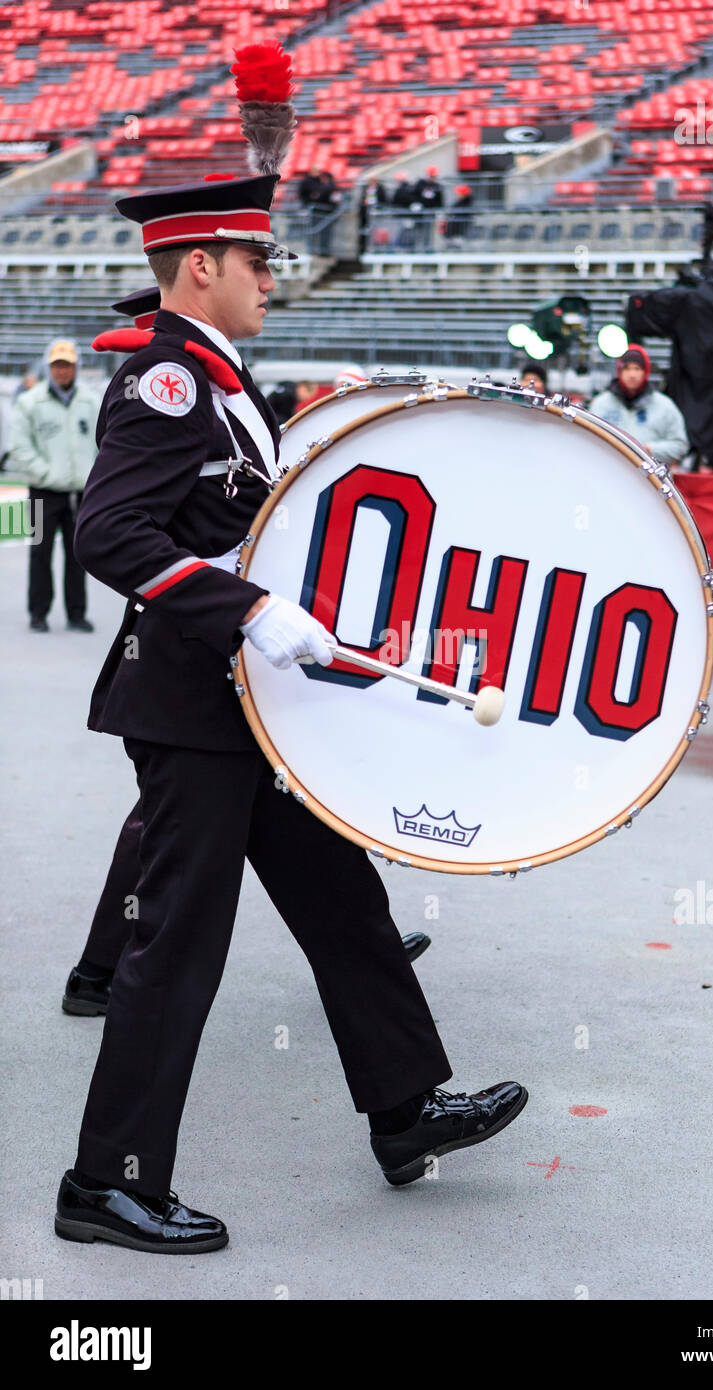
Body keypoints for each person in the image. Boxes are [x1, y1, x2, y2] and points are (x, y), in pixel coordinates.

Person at [54, 171, 526, 1255]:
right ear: (200, 268)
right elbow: (110, 535)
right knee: (174, 946)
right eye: (257, 260)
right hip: (191, 709)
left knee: (342, 900)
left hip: (246, 709)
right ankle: (105, 1183)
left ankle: (405, 1113)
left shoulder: (226, 383)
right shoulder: (167, 383)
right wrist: (250, 607)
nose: (275, 274)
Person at [7, 340, 101, 632]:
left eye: (68, 365)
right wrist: (46, 474)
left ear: (76, 367)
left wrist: (93, 475)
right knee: (39, 553)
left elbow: (105, 442)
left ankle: (76, 613)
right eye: (58, 365)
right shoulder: (29, 402)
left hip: (80, 493)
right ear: (49, 367)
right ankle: (38, 613)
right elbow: (19, 446)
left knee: (78, 555)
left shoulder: (92, 401)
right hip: (41, 491)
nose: (63, 371)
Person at [588, 345, 689, 465]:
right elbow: (588, 441)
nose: (632, 374)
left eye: (637, 368)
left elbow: (680, 445)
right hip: (608, 474)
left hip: (649, 481)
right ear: (619, 371)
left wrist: (648, 450)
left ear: (646, 372)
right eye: (627, 368)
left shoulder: (665, 406)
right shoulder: (601, 404)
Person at [412, 164, 444, 251]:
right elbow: (413, 195)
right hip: (419, 213)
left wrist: (438, 211)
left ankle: (427, 249)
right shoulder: (420, 184)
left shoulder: (437, 186)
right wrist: (415, 204)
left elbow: (440, 201)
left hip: (430, 213)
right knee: (417, 231)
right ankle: (416, 249)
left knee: (428, 232)